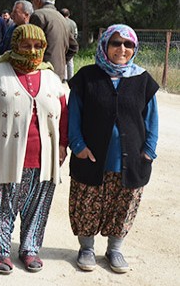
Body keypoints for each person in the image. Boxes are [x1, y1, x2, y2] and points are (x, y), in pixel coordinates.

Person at [0, 24, 68, 274]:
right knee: (2, 204)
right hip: (6, 152)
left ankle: (30, 247)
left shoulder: (52, 78)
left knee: (37, 204)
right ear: (15, 45)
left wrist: (62, 145)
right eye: (26, 45)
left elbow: (64, 116)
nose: (32, 50)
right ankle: (0, 250)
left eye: (38, 46)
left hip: (43, 155)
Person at [67, 24, 158, 274]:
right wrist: (78, 147)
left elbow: (152, 120)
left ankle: (114, 249)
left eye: (128, 44)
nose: (122, 49)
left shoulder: (142, 80)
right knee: (86, 202)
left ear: (134, 48)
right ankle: (86, 248)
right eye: (116, 43)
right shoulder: (87, 77)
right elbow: (73, 115)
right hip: (91, 157)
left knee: (123, 204)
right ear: (105, 45)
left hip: (130, 160)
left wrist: (149, 151)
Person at [27, 0, 79, 80]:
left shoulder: (38, 15)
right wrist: (61, 62)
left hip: (42, 73)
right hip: (59, 73)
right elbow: (74, 47)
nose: (32, 3)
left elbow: (31, 46)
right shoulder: (62, 18)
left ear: (38, 0)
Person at [61, 7, 78, 81]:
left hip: (63, 43)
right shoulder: (73, 23)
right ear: (69, 14)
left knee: (63, 59)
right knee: (70, 61)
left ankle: (64, 77)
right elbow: (76, 33)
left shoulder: (61, 21)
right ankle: (71, 77)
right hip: (72, 43)